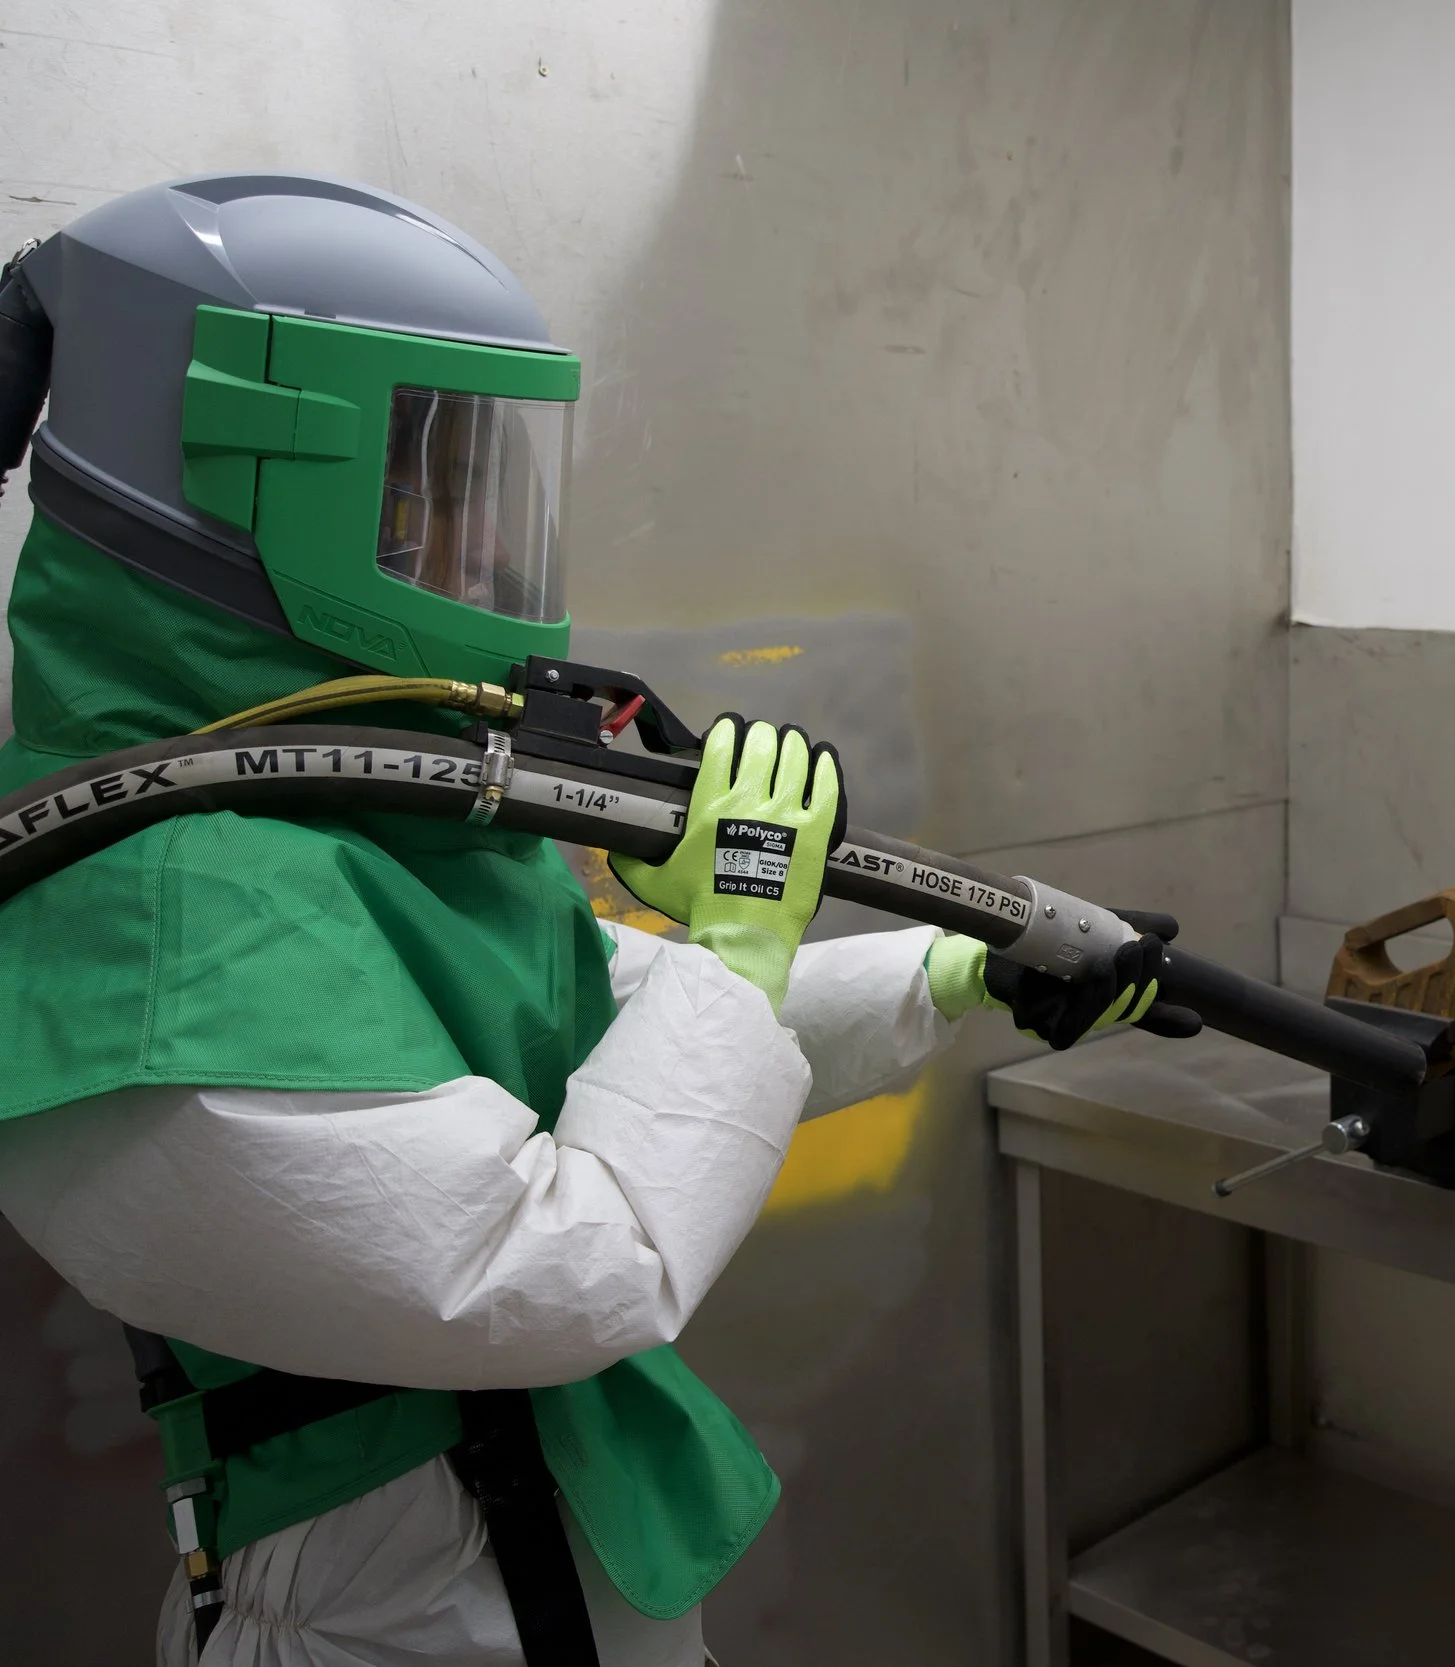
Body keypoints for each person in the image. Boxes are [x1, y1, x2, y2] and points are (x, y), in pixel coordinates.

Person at [0, 173, 1172, 1667]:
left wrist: (961, 972)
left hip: (517, 1567)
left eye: (497, 474)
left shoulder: (331, 831)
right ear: (254, 481)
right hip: (379, 1621)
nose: (488, 543)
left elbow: (603, 1021)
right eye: (431, 481)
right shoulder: (152, 914)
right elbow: (555, 1260)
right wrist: (742, 935)